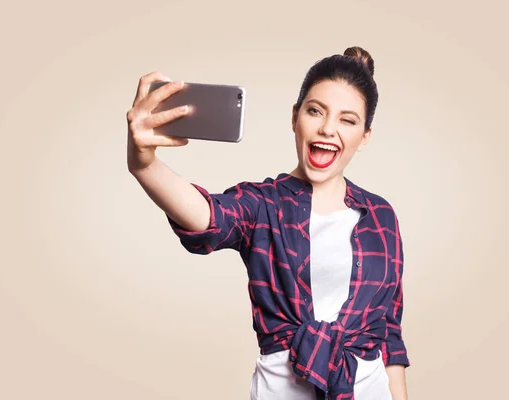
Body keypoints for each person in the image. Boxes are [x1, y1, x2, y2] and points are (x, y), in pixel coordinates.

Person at [126, 46, 410, 400]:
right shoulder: (264, 204)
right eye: (315, 111)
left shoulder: (381, 216)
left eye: (347, 120)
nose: (327, 128)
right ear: (295, 117)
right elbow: (207, 218)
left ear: (364, 136)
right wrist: (144, 165)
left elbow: (389, 336)